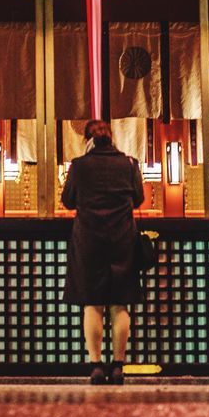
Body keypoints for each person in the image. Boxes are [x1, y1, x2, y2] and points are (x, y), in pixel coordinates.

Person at [61, 120, 145, 385]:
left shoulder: (79, 166)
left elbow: (68, 200)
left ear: (88, 140)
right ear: (112, 138)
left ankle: (96, 365)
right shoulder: (129, 164)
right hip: (122, 239)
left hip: (89, 240)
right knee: (120, 304)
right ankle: (118, 365)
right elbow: (139, 198)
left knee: (92, 303)